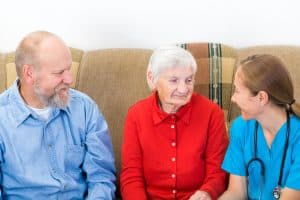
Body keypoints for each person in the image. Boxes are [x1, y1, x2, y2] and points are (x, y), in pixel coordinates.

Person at [0, 31, 116, 199]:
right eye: (59, 73)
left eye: (68, 69)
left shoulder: (84, 108)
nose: (69, 79)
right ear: (29, 73)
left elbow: (101, 177)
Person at [121, 46, 228, 200]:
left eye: (189, 80)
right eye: (174, 80)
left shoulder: (212, 113)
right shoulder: (136, 115)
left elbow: (217, 171)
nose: (183, 89)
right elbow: (131, 174)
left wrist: (207, 192)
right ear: (152, 78)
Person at [219, 54, 300, 200]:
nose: (232, 98)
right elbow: (237, 192)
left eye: (237, 91)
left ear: (261, 97)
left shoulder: (297, 135)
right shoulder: (240, 128)